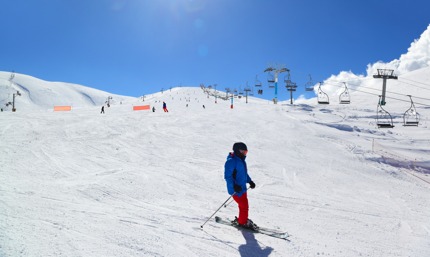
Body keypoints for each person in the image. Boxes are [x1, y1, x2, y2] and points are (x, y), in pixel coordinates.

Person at [224, 142, 257, 230]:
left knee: (243, 206)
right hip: (235, 190)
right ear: (237, 151)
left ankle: (242, 219)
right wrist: (234, 186)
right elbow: (228, 176)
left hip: (242, 189)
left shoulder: (241, 161)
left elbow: (244, 174)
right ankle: (243, 222)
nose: (244, 154)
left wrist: (250, 181)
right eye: (243, 152)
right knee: (244, 206)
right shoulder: (231, 161)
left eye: (245, 152)